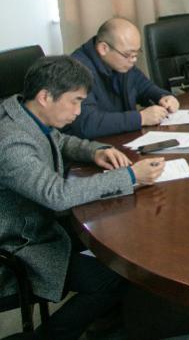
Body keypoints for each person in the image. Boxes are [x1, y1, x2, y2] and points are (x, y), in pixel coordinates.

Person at [0, 56, 164, 339]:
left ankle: (112, 320)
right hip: (20, 242)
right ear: (45, 97)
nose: (78, 112)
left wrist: (95, 152)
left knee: (117, 232)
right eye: (75, 101)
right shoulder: (12, 142)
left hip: (39, 222)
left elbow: (60, 140)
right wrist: (129, 176)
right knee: (117, 273)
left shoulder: (24, 112)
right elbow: (57, 195)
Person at [68, 17, 179, 139]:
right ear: (103, 48)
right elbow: (87, 123)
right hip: (93, 146)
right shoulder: (75, 71)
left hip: (124, 139)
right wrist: (140, 118)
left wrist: (164, 97)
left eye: (136, 54)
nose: (134, 60)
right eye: (128, 54)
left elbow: (144, 87)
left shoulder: (122, 64)